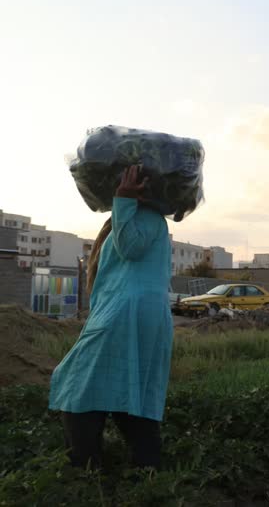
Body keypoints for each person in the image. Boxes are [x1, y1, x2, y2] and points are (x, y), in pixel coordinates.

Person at [49, 165, 174, 469]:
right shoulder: (147, 219)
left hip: (124, 313)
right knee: (131, 391)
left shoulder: (143, 217)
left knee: (75, 385)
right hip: (142, 315)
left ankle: (86, 468)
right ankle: (147, 470)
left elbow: (130, 248)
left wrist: (122, 198)